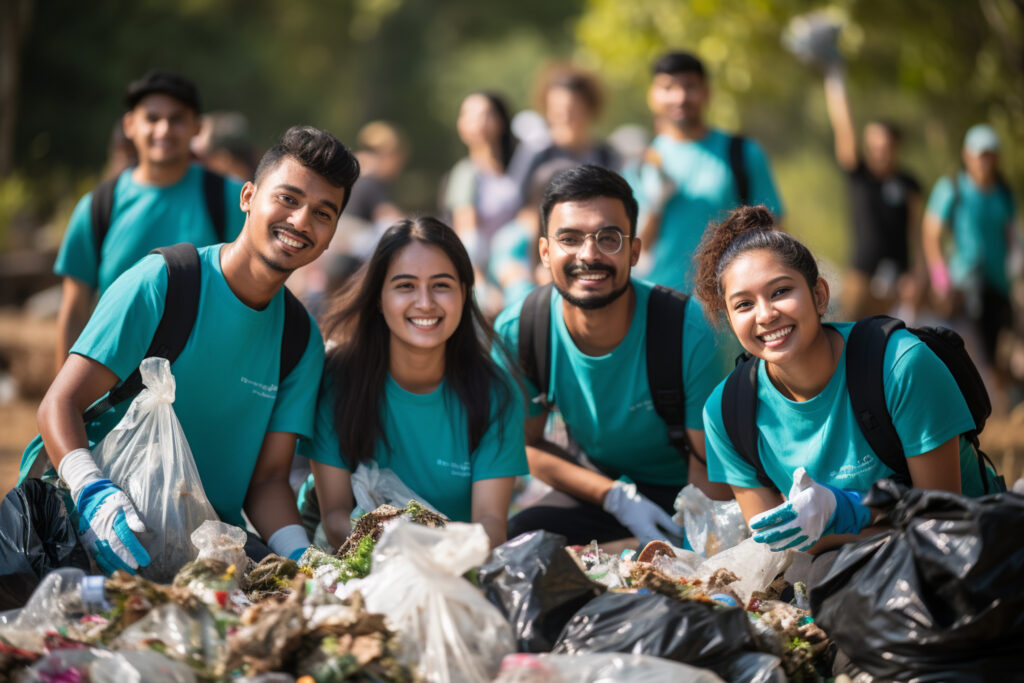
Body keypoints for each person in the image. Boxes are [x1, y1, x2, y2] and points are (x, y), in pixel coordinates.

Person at [26, 125, 360, 573]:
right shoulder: (164, 281)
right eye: (288, 198)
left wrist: (302, 558)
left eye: (323, 213)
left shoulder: (301, 340)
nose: (301, 221)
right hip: (83, 529)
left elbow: (267, 481)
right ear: (247, 197)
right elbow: (59, 403)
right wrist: (93, 494)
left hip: (197, 554)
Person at [695, 205, 998, 556]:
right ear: (730, 320)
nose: (765, 314)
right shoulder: (727, 413)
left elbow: (942, 524)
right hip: (843, 581)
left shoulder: (899, 364)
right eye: (744, 304)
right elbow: (777, 547)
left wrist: (848, 512)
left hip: (970, 564)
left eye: (780, 292)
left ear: (819, 295)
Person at [494, 164, 731, 548]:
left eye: (609, 239)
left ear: (634, 251)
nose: (589, 255)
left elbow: (711, 468)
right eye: (569, 238)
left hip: (690, 490)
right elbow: (523, 444)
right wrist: (613, 497)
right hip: (603, 490)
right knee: (521, 541)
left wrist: (687, 555)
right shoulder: (520, 329)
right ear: (544, 251)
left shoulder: (689, 330)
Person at [302, 217, 527, 550]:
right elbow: (335, 516)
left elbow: (490, 523)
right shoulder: (338, 379)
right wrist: (397, 548)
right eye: (405, 286)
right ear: (379, 296)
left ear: (465, 294)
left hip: (451, 563)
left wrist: (437, 553)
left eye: (441, 285)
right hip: (343, 555)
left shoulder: (496, 394)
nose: (425, 303)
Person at [53, 70, 247, 372]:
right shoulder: (97, 207)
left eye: (177, 118)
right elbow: (74, 311)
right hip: (109, 391)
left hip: (201, 384)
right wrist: (63, 400)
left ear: (197, 127)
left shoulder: (232, 200)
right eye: (152, 118)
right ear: (130, 125)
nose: (164, 129)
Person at [630, 51, 784, 293]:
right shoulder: (641, 163)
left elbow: (773, 229)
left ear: (707, 92)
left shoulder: (742, 153)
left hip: (729, 301)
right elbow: (637, 249)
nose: (680, 97)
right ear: (653, 96)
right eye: (668, 87)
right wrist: (655, 205)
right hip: (660, 300)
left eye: (690, 86)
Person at [923, 124, 1019, 404]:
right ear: (967, 155)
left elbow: (1011, 234)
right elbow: (931, 232)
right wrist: (940, 277)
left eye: (989, 154)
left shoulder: (1003, 192)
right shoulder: (952, 187)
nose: (984, 160)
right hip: (963, 283)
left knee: (1000, 344)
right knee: (968, 347)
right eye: (979, 154)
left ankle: (1000, 406)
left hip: (998, 282)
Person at [823, 65, 924, 320]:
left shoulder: (909, 182)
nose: (879, 152)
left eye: (886, 146)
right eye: (874, 146)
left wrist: (919, 274)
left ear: (897, 147)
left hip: (899, 282)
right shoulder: (860, 175)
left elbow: (918, 232)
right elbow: (843, 126)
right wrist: (835, 78)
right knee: (851, 335)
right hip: (861, 277)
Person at [507, 66, 620, 208]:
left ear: (590, 109)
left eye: (573, 110)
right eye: (557, 111)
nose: (565, 118)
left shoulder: (606, 155)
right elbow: (514, 202)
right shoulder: (536, 152)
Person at [444, 92, 520, 271]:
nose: (478, 122)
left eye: (485, 114)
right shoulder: (465, 174)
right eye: (468, 115)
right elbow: (468, 235)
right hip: (482, 270)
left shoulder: (517, 169)